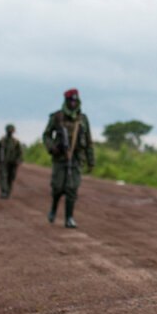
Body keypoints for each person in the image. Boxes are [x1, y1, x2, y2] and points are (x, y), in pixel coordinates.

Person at [42, 88, 95, 228]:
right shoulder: (57, 117)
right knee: (58, 187)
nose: (73, 103)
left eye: (75, 101)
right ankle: (54, 208)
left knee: (72, 188)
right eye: (70, 101)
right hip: (60, 158)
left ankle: (69, 218)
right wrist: (52, 147)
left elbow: (89, 140)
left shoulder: (82, 119)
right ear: (66, 101)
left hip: (77, 158)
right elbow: (46, 135)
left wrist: (91, 161)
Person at [0, 124, 23, 199]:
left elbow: (20, 153)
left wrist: (18, 160)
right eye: (9, 130)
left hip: (13, 163)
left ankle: (8, 192)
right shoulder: (2, 141)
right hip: (4, 162)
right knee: (3, 177)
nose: (10, 132)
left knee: (10, 178)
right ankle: (4, 191)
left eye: (11, 130)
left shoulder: (16, 142)